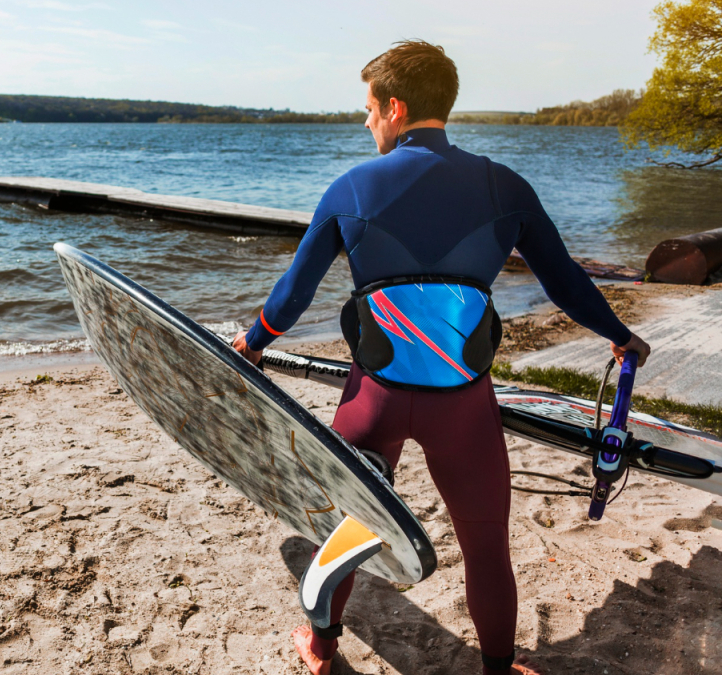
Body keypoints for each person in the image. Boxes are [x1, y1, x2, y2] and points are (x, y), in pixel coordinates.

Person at [231, 40, 651, 675]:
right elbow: (565, 283)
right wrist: (619, 335)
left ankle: (320, 649)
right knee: (485, 545)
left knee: (345, 526)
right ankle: (498, 668)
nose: (366, 122)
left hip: (373, 398)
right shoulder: (505, 187)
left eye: (369, 108)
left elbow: (293, 296)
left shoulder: (351, 188)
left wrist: (253, 342)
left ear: (395, 108)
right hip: (463, 405)